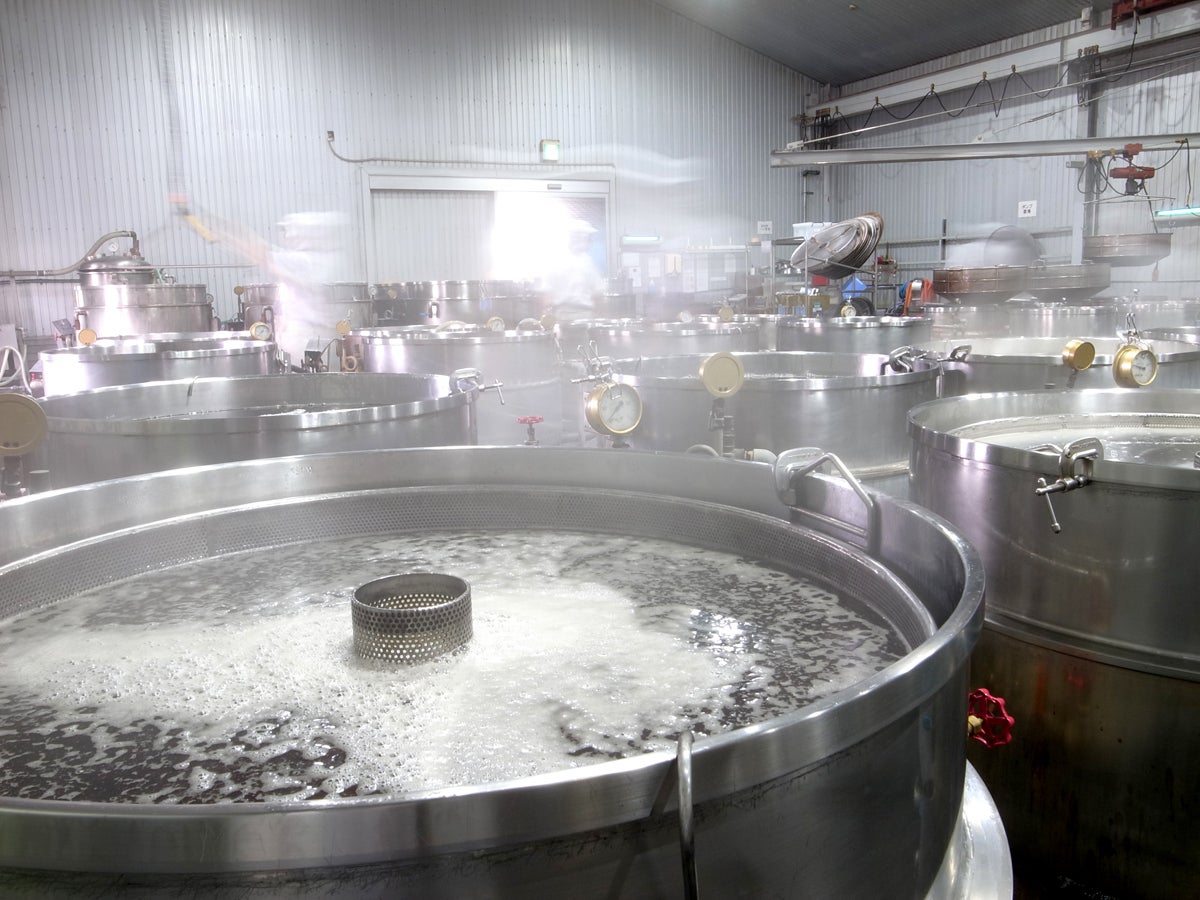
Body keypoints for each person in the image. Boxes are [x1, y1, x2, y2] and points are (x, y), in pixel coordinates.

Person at [541, 219, 605, 322]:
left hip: (568, 315)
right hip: (575, 315)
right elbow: (598, 293)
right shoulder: (584, 262)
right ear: (579, 238)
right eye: (589, 239)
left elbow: (547, 295)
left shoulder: (585, 260)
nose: (590, 242)